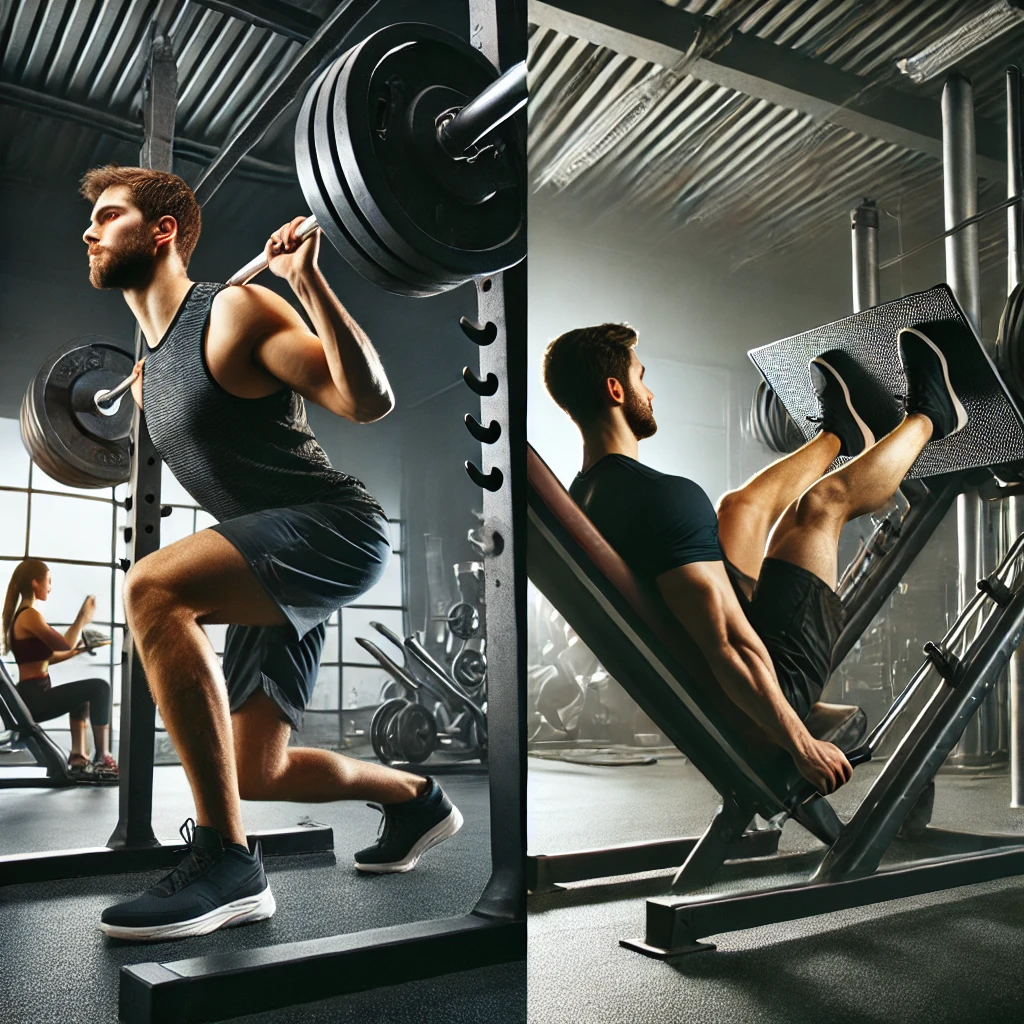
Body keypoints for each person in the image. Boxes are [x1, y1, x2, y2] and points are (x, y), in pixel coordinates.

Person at [79, 165, 461, 942]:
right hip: (273, 552)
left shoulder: (233, 308)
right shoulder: (150, 379)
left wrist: (307, 283)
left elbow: (366, 401)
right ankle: (413, 797)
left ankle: (228, 862)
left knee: (152, 588)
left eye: (109, 215)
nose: (88, 230)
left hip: (334, 528)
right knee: (258, 769)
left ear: (162, 233)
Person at [542, 321, 968, 796]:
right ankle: (932, 416)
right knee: (820, 506)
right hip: (770, 686)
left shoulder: (588, 496)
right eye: (642, 377)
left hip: (712, 682)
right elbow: (730, 643)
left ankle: (840, 436)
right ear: (616, 390)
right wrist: (801, 743)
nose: (651, 392)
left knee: (736, 508)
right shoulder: (661, 498)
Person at [1, 559, 116, 779]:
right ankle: (102, 757)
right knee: (100, 687)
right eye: (49, 581)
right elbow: (64, 643)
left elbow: (46, 659)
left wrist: (79, 651)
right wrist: (82, 618)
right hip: (34, 697)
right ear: (36, 583)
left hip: (32, 694)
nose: (50, 588)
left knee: (82, 698)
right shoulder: (29, 615)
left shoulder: (24, 616)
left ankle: (78, 757)